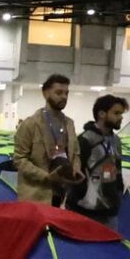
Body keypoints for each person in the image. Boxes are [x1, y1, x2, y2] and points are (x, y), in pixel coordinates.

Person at [14, 74, 83, 206]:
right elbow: (19, 159)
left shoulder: (70, 124)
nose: (64, 97)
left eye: (66, 93)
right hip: (35, 197)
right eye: (59, 92)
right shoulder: (30, 124)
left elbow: (76, 154)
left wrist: (76, 168)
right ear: (45, 93)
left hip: (61, 195)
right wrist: (45, 176)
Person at [68, 95, 128, 225]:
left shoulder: (116, 141)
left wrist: (117, 195)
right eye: (116, 113)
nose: (121, 117)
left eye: (121, 114)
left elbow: (118, 172)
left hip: (110, 210)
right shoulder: (85, 140)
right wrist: (81, 197)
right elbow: (74, 175)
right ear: (102, 114)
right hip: (84, 210)